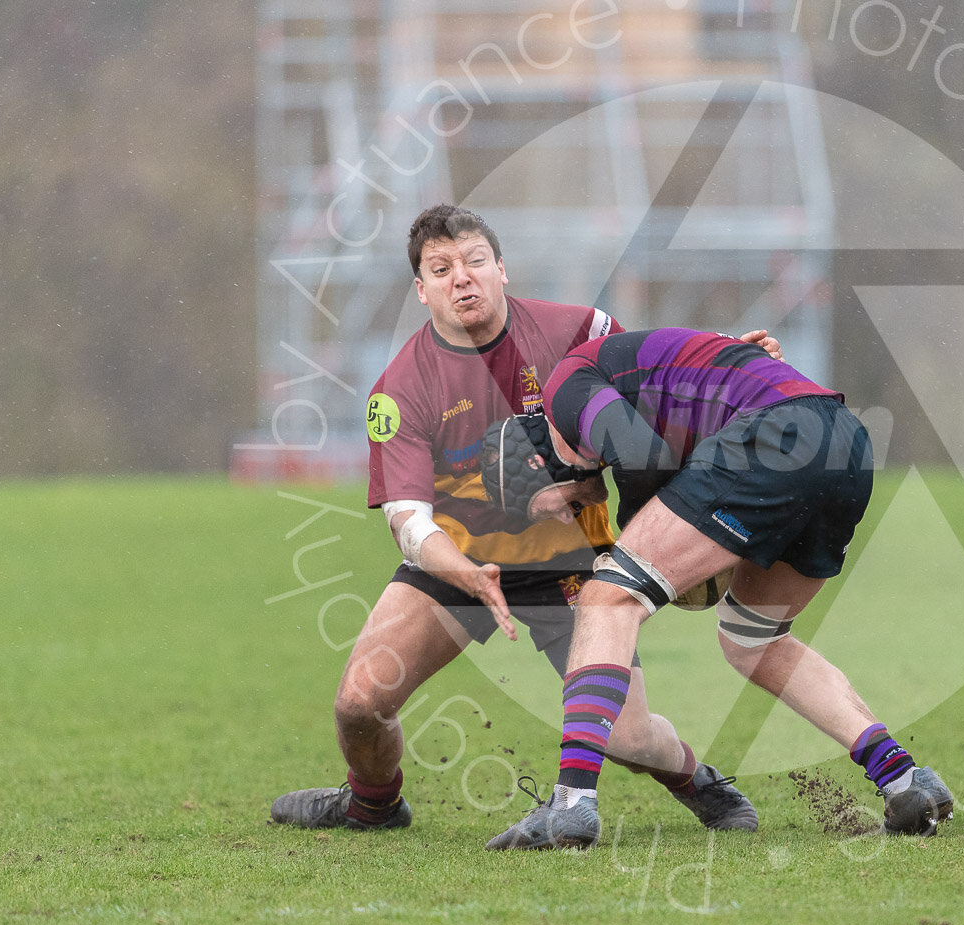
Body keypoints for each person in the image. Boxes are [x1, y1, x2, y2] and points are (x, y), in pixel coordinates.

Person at [270, 205, 771, 832]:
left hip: (569, 563)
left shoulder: (578, 329)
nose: (462, 277)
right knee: (359, 704)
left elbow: (656, 376)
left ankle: (695, 778)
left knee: (627, 736)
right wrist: (468, 574)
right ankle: (371, 804)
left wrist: (727, 363)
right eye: (442, 268)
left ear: (501, 269)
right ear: (421, 289)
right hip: (459, 563)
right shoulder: (398, 390)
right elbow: (407, 520)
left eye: (475, 260)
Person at [479, 327, 954, 850]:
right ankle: (905, 781)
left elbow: (644, 457)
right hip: (845, 444)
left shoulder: (565, 387)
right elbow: (689, 391)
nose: (572, 514)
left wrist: (637, 539)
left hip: (779, 435)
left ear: (532, 466)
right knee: (754, 641)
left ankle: (570, 802)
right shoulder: (624, 385)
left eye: (554, 509)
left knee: (607, 597)